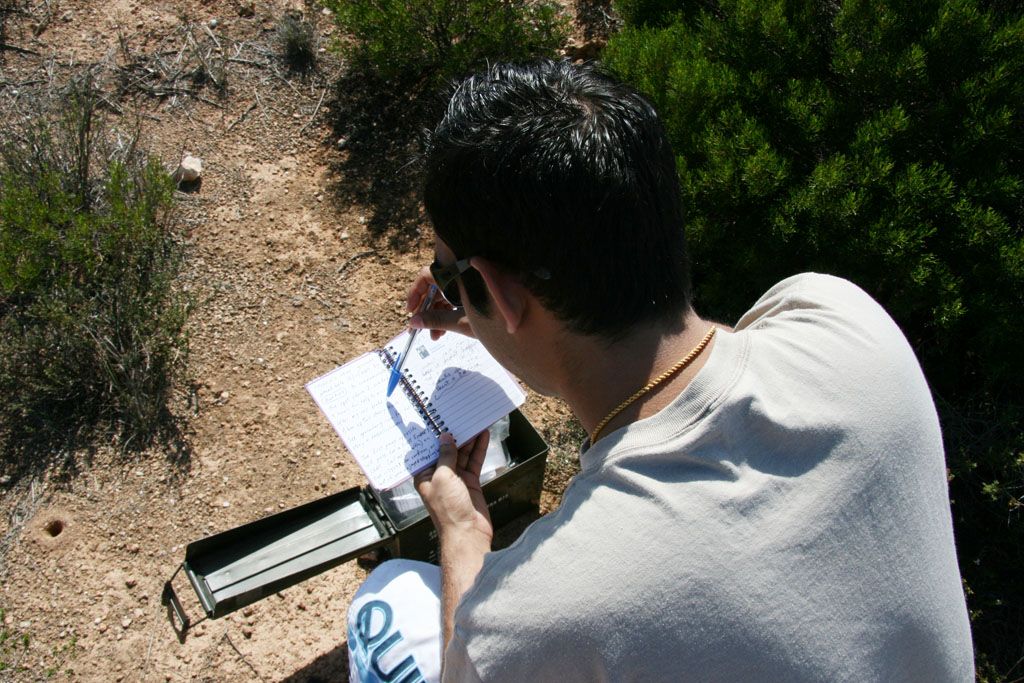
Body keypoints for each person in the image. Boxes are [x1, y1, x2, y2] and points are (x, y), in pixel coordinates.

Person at [347, 59, 974, 681]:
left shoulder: (536, 619)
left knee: (389, 593)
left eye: (453, 277)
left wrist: (461, 528)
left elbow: (469, 668)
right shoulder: (842, 318)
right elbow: (692, 356)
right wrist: (490, 311)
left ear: (497, 291)